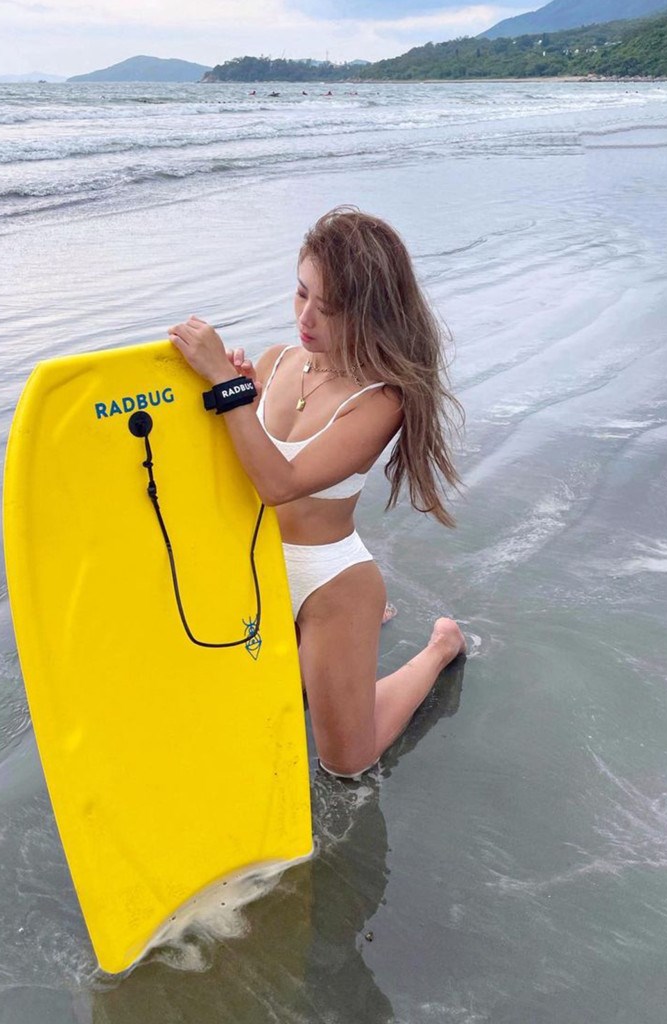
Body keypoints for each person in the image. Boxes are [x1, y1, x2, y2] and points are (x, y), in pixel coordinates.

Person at [169, 207, 465, 778]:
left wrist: (226, 387)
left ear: (370, 313)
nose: (306, 317)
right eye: (301, 293)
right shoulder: (276, 361)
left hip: (327, 583)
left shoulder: (381, 400)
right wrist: (234, 398)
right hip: (254, 567)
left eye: (328, 309)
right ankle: (338, 649)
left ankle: (440, 648)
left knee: (346, 763)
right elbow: (233, 467)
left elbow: (278, 484)